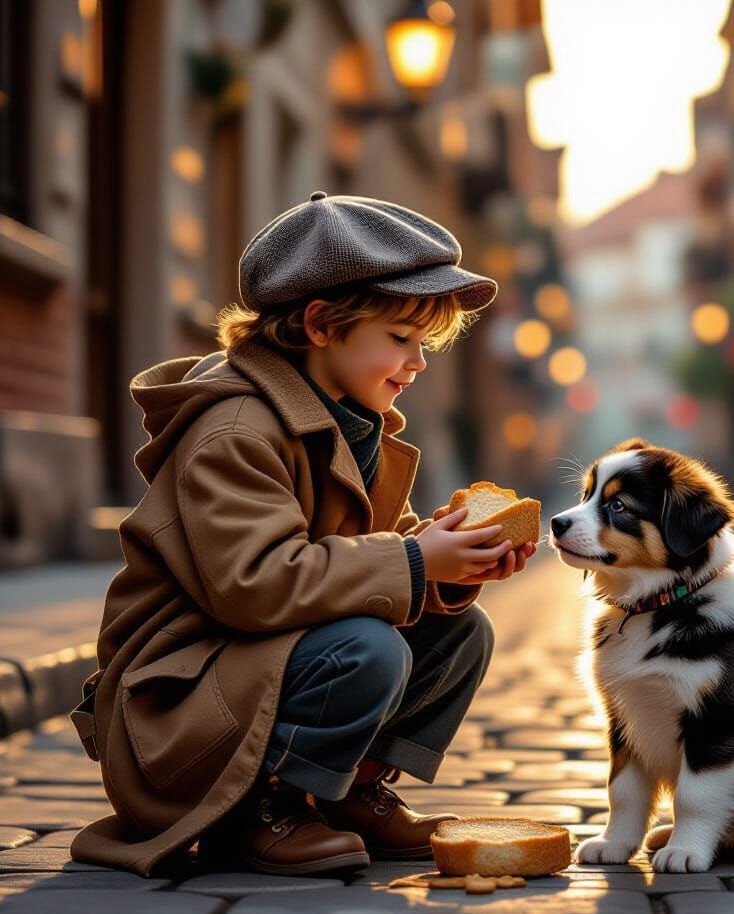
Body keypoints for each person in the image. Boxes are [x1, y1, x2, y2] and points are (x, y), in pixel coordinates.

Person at [69, 192, 537, 877]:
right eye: (401, 340)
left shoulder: (345, 421)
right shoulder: (235, 431)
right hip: (179, 711)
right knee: (366, 649)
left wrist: (446, 567)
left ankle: (348, 791)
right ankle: (258, 809)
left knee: (461, 633)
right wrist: (412, 559)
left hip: (248, 669)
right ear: (321, 324)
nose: (419, 362)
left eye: (424, 344)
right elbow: (256, 584)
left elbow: (353, 558)